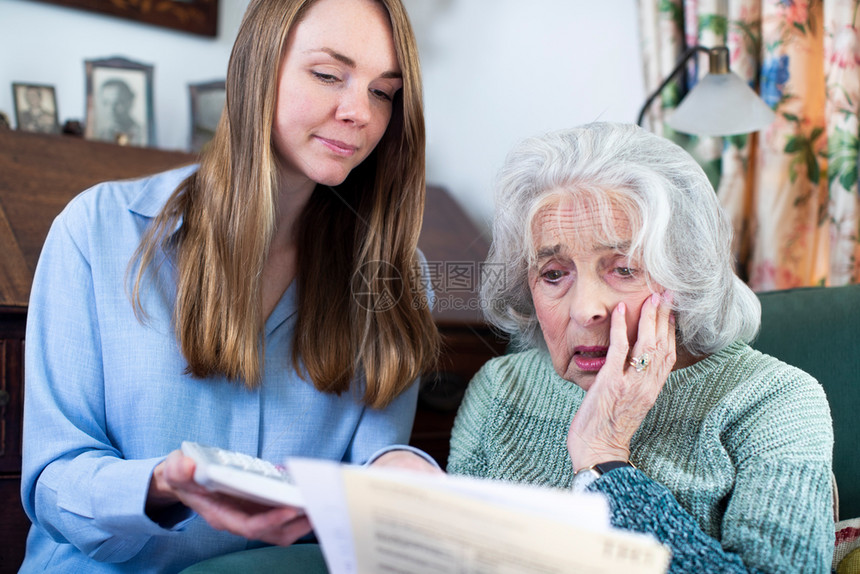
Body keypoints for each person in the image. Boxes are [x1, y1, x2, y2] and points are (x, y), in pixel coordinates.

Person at [20, 0, 439, 571]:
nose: (360, 112)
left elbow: (370, 460)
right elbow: (54, 481)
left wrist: (397, 470)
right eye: (327, 75)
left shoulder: (394, 274)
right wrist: (162, 486)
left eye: (383, 92)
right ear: (255, 69)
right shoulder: (96, 230)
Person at [448, 122, 834, 572]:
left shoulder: (776, 402)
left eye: (623, 268)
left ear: (686, 275)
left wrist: (604, 461)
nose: (585, 309)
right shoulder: (499, 390)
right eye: (554, 274)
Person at [95, 78, 143, 145]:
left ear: (130, 101)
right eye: (106, 103)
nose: (111, 109)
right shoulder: (100, 135)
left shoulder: (143, 134)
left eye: (117, 103)